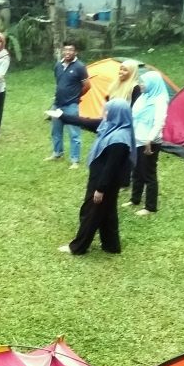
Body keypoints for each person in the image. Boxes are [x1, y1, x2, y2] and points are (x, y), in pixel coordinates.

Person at [51, 98, 137, 255]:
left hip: (104, 182)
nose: (103, 113)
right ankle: (111, 245)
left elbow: (111, 168)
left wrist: (100, 189)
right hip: (101, 179)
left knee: (91, 213)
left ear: (116, 114)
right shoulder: (110, 125)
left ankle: (77, 247)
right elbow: (85, 122)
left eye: (107, 111)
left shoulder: (119, 140)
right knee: (108, 212)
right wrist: (62, 116)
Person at [124, 70, 170, 217]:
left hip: (149, 142)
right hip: (137, 139)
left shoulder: (160, 100)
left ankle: (150, 207)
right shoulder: (143, 97)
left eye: (143, 82)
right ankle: (135, 199)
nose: (140, 85)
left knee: (149, 173)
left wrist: (149, 140)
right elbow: (134, 115)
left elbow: (159, 123)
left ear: (152, 84)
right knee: (136, 170)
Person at [46, 42, 90, 167]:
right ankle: (57, 152)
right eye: (65, 50)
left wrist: (77, 96)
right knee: (56, 131)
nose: (68, 52)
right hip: (57, 104)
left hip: (71, 105)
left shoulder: (80, 67)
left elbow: (87, 86)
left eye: (71, 50)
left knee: (74, 133)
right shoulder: (58, 65)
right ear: (62, 51)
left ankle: (75, 160)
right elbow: (59, 82)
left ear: (75, 52)